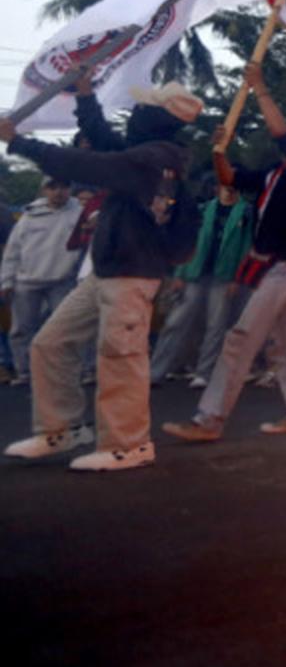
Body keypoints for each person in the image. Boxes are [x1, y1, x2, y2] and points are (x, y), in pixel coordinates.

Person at [1, 79, 201, 471]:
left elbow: (86, 163)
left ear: (155, 118)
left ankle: (128, 444)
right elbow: (102, 140)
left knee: (120, 356)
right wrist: (86, 96)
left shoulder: (152, 159)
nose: (135, 112)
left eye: (144, 108)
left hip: (131, 272)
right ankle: (61, 428)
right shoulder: (147, 155)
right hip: (111, 271)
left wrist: (20, 143)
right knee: (50, 343)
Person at [164, 67, 286, 443]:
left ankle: (209, 419)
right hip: (274, 268)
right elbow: (230, 178)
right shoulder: (276, 173)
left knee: (240, 337)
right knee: (284, 344)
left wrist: (259, 87)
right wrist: (219, 150)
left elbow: (278, 132)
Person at [149, 178, 253, 389]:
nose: (228, 189)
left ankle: (204, 372)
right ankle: (155, 371)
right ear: (217, 187)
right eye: (224, 184)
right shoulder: (203, 210)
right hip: (195, 271)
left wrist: (238, 278)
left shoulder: (246, 213)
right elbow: (188, 241)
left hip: (224, 274)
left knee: (216, 325)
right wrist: (180, 273)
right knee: (176, 321)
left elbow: (246, 248)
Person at [1, 176, 83, 389]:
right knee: (21, 330)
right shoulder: (29, 216)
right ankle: (25, 372)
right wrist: (6, 282)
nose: (58, 191)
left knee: (65, 331)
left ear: (70, 189)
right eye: (52, 187)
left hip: (63, 282)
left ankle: (64, 372)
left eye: (64, 186)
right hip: (26, 282)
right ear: (44, 190)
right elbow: (12, 251)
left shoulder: (80, 214)